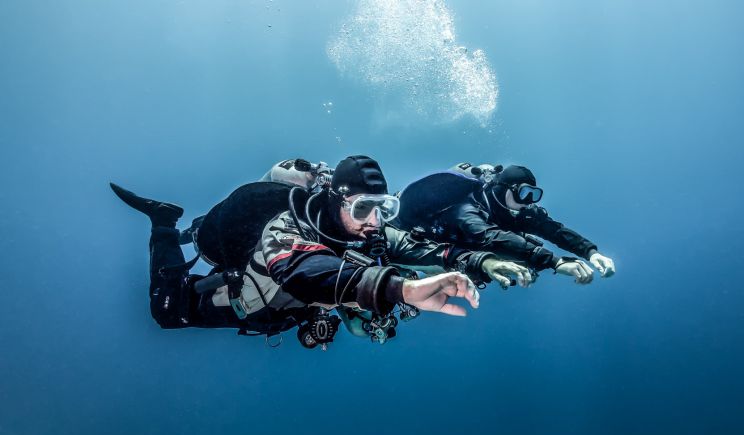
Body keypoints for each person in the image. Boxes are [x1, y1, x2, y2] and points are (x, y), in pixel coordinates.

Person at [111, 156, 531, 349]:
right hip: (244, 302)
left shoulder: (370, 233)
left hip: (286, 311)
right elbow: (306, 271)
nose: (374, 222)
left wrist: (480, 260)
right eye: (364, 209)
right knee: (166, 311)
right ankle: (163, 222)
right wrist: (399, 289)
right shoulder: (286, 228)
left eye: (383, 210)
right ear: (336, 200)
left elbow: (419, 248)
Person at [395, 163, 616, 284]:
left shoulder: (516, 211)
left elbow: (553, 230)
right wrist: (555, 262)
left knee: (527, 241)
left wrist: (590, 252)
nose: (528, 202)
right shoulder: (467, 208)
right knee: (518, 244)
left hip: (459, 255)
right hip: (413, 243)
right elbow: (489, 236)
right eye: (523, 193)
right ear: (505, 189)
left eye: (534, 195)